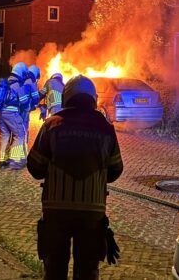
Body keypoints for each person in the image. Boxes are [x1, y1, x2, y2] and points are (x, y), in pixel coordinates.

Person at [27, 75, 123, 280]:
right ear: (93, 99)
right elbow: (116, 171)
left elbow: (35, 167)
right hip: (92, 215)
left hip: (56, 212)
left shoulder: (51, 126)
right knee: (88, 272)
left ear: (66, 98)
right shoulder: (106, 129)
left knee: (54, 271)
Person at [2, 62, 30, 170]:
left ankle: (6, 159)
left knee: (8, 136)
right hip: (12, 113)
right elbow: (24, 101)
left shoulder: (6, 83)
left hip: (2, 115)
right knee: (19, 135)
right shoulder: (18, 85)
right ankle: (14, 162)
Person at [22, 65, 41, 152]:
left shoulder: (22, 79)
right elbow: (35, 97)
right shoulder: (32, 81)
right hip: (24, 108)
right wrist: (34, 105)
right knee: (24, 130)